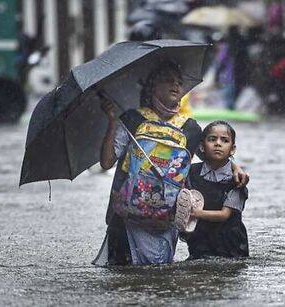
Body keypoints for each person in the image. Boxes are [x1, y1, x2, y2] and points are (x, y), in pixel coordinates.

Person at [93, 62, 249, 266]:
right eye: (167, 80)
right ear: (152, 87)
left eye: (179, 82)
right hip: (126, 218)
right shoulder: (132, 120)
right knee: (125, 279)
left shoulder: (190, 129)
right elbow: (106, 162)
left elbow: (215, 158)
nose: (175, 85)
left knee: (159, 275)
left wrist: (237, 169)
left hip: (166, 220)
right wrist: (112, 122)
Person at [183, 121, 249, 259]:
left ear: (232, 149)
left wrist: (195, 213)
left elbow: (224, 214)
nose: (218, 143)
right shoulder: (191, 173)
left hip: (231, 247)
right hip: (200, 244)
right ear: (202, 146)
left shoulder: (237, 180)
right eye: (212, 139)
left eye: (224, 140)